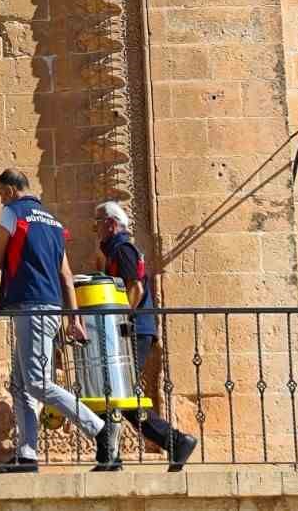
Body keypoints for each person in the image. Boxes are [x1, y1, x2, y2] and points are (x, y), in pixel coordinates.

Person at [0, 168, 119, 472]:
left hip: (30, 304)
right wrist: (73, 318)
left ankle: (99, 428)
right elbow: (66, 273)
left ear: (9, 191)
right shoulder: (52, 222)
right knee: (20, 383)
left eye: (0, 195)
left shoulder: (12, 213)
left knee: (36, 382)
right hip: (52, 306)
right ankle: (27, 453)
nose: (1, 200)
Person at [94, 200, 199, 470]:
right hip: (132, 329)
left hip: (134, 329)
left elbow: (136, 289)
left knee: (121, 394)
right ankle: (111, 456)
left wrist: (120, 321)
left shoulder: (123, 249)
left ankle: (174, 441)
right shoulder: (114, 250)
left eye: (98, 222)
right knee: (114, 392)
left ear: (111, 223)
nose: (95, 228)